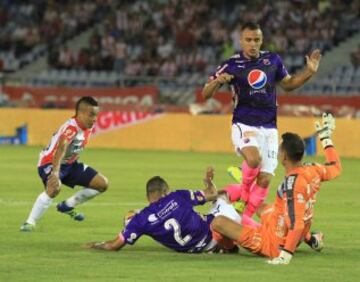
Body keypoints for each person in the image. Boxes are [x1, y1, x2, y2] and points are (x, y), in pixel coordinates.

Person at [201, 21, 322, 218]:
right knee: (253, 159)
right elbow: (205, 94)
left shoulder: (272, 60)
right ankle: (244, 193)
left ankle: (244, 218)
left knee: (265, 179)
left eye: (256, 40)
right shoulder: (232, 64)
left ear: (261, 40)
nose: (253, 44)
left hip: (269, 127)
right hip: (244, 123)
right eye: (248, 40)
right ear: (241, 41)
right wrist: (216, 82)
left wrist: (309, 72)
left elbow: (289, 85)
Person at [211, 113, 342, 265]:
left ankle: (229, 248)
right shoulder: (313, 169)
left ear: (284, 157)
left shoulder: (293, 184)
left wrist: (284, 256)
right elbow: (335, 167)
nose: (277, 153)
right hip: (282, 223)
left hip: (272, 242)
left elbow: (296, 223)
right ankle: (311, 239)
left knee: (218, 222)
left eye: (279, 150)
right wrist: (326, 139)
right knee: (259, 204)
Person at [86, 167, 241, 253]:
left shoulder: (140, 220)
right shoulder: (178, 196)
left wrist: (96, 245)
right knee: (222, 195)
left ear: (148, 197)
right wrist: (208, 181)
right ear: (166, 191)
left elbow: (114, 245)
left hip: (196, 249)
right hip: (213, 232)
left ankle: (226, 246)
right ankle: (244, 189)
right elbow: (211, 193)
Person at [20, 96, 109, 232]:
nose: (94, 119)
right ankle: (29, 222)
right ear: (80, 113)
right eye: (91, 115)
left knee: (102, 184)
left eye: (96, 115)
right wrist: (55, 172)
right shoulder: (71, 127)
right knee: (54, 187)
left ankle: (67, 206)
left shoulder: (88, 126)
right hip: (49, 163)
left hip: (70, 165)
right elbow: (61, 147)